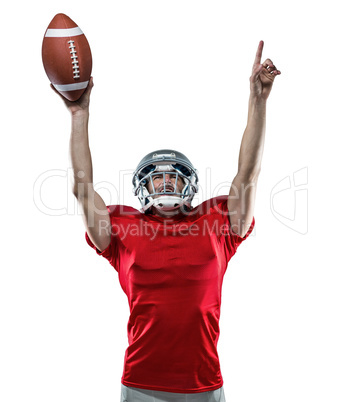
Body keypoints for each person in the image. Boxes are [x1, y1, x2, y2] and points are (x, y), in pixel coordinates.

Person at [53, 40, 280, 402]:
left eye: (175, 175)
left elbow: (247, 175)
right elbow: (83, 189)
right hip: (141, 381)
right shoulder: (122, 226)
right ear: (143, 185)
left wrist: (258, 101)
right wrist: (79, 115)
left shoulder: (217, 221)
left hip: (204, 382)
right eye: (157, 177)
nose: (167, 182)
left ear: (189, 183)